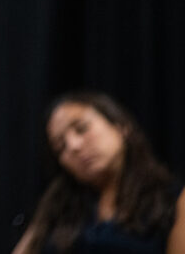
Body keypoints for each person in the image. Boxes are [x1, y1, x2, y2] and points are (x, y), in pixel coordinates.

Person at [13, 91, 185, 254]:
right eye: (60, 147)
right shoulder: (56, 205)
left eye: (82, 128)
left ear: (121, 127)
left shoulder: (171, 199)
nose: (73, 146)